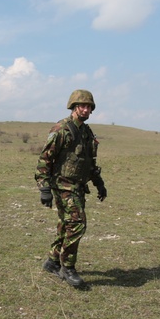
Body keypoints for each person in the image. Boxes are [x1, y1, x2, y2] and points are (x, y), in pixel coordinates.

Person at [34, 89, 107, 288]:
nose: (86, 109)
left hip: (78, 186)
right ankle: (67, 268)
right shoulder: (62, 130)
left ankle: (52, 260)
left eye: (89, 107)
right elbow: (45, 159)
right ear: (73, 107)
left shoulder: (86, 132)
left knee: (66, 224)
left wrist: (99, 183)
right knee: (77, 224)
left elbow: (89, 162)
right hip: (62, 185)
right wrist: (44, 188)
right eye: (82, 106)